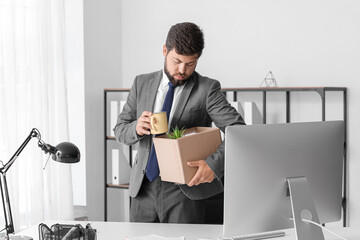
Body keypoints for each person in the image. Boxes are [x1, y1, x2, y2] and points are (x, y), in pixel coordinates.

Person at [114, 22, 245, 223]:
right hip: (142, 189)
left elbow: (239, 132)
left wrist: (214, 164)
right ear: (164, 50)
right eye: (177, 61)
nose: (182, 70)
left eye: (190, 64)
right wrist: (136, 128)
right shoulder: (141, 83)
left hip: (184, 191)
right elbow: (120, 129)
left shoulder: (207, 89)